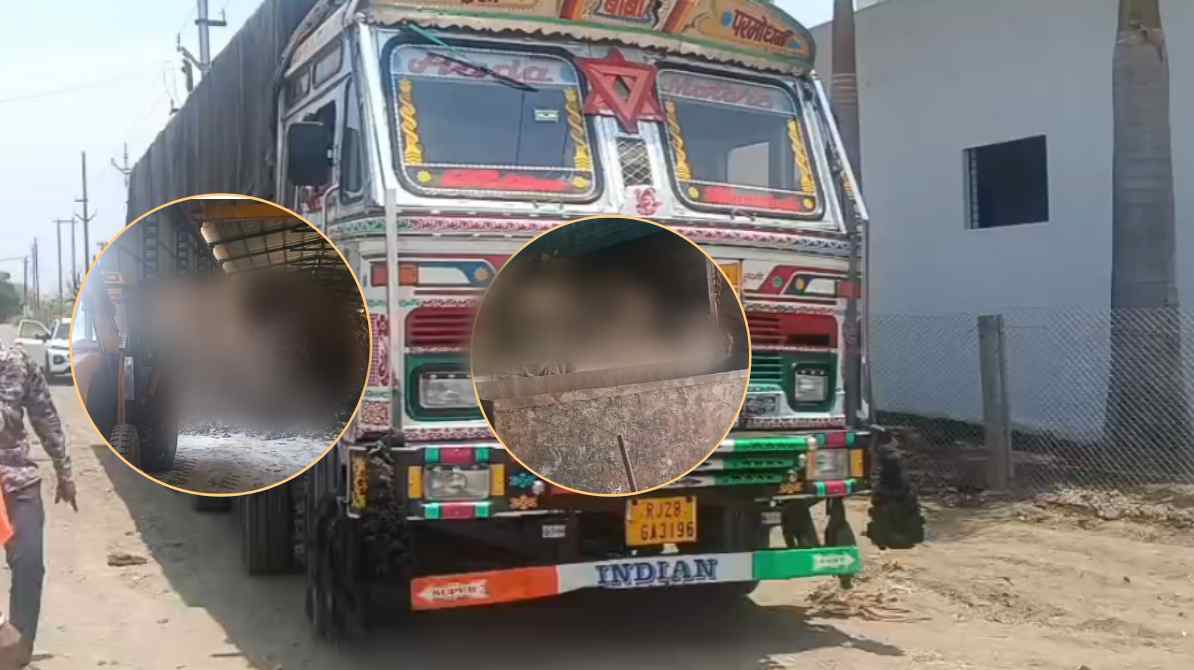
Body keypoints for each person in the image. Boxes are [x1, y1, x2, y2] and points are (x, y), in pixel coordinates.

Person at [0, 344, 76, 666]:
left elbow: (45, 417)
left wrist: (64, 472)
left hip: (16, 480)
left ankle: (15, 654)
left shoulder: (16, 362)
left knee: (30, 563)